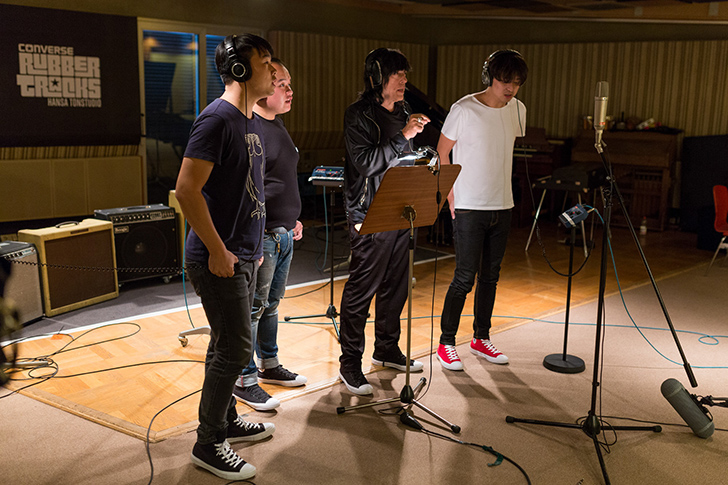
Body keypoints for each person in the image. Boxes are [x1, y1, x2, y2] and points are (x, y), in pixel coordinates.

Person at [174, 33, 277, 481]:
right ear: (239, 69)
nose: (273, 69)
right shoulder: (216, 120)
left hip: (244, 255)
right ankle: (208, 441)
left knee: (225, 345)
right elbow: (186, 190)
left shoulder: (250, 120)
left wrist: (253, 249)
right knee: (235, 348)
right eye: (265, 61)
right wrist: (218, 250)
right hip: (217, 257)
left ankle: (226, 421)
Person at [338, 47, 431, 395]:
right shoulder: (358, 115)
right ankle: (350, 363)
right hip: (368, 213)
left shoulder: (404, 111)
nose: (404, 80)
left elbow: (400, 160)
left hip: (401, 209)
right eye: (397, 74)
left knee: (397, 285)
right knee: (362, 289)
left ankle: (386, 348)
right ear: (378, 78)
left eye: (405, 74)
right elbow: (366, 163)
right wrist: (403, 136)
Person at [435, 49, 528, 372]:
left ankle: (481, 337)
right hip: (469, 206)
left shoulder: (518, 110)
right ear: (490, 77)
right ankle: (446, 342)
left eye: (516, 82)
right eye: (505, 81)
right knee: (464, 277)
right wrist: (450, 196)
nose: (510, 88)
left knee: (490, 277)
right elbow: (442, 152)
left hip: (503, 204)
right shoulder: (463, 109)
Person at [233, 58, 307, 411]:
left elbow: (279, 180)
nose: (290, 91)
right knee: (252, 310)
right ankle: (244, 379)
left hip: (283, 232)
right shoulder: (252, 128)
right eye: (282, 85)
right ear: (263, 90)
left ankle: (269, 364)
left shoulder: (276, 124)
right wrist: (255, 235)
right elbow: (249, 190)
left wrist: (292, 219)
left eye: (290, 84)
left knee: (271, 306)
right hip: (262, 236)